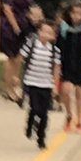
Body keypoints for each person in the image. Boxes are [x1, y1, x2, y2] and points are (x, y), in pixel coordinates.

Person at [20, 22, 61, 150]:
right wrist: (17, 75)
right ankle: (30, 124)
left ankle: (41, 138)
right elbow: (21, 58)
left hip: (46, 84)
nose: (46, 35)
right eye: (44, 31)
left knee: (44, 113)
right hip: (32, 82)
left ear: (53, 36)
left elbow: (56, 68)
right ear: (38, 32)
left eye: (50, 33)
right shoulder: (31, 45)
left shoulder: (55, 51)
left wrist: (55, 85)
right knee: (35, 108)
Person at [0, 0, 35, 104]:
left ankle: (15, 84)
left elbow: (29, 6)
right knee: (11, 57)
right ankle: (9, 90)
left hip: (24, 23)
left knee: (20, 57)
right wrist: (15, 26)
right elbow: (7, 8)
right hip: (10, 25)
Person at [59, 0, 81, 132]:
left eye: (80, 14)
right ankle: (69, 115)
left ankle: (79, 121)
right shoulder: (64, 28)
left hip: (80, 64)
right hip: (67, 63)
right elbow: (59, 46)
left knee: (79, 93)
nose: (77, 16)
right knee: (66, 91)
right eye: (74, 13)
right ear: (69, 14)